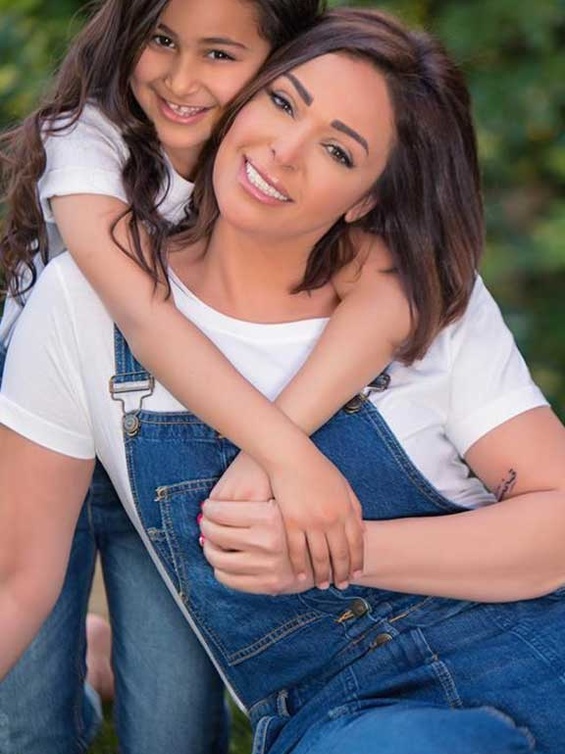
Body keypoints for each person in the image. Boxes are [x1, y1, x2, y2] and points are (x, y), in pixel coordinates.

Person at [2, 6, 565, 753]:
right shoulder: (85, 300)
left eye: (337, 150)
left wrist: (343, 548)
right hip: (349, 719)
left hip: (537, 658)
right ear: (246, 97)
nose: (284, 152)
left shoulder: (414, 295)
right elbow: (16, 583)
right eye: (282, 103)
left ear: (365, 198)